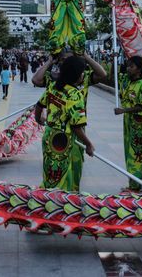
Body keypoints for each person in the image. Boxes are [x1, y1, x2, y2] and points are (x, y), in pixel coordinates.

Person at [35, 55, 95, 191]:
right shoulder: (75, 95)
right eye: (82, 72)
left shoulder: (53, 87)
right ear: (76, 75)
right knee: (62, 178)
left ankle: (47, 202)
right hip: (63, 142)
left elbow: (39, 105)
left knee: (50, 174)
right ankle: (60, 207)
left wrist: (38, 119)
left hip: (49, 137)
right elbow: (77, 127)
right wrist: (88, 144)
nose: (83, 75)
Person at [113, 56, 142, 192]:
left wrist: (123, 110)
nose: (128, 68)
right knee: (128, 153)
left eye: (132, 66)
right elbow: (113, 76)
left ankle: (135, 186)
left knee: (136, 154)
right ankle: (133, 184)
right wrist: (115, 59)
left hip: (137, 122)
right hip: (128, 121)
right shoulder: (126, 80)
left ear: (139, 69)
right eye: (128, 65)